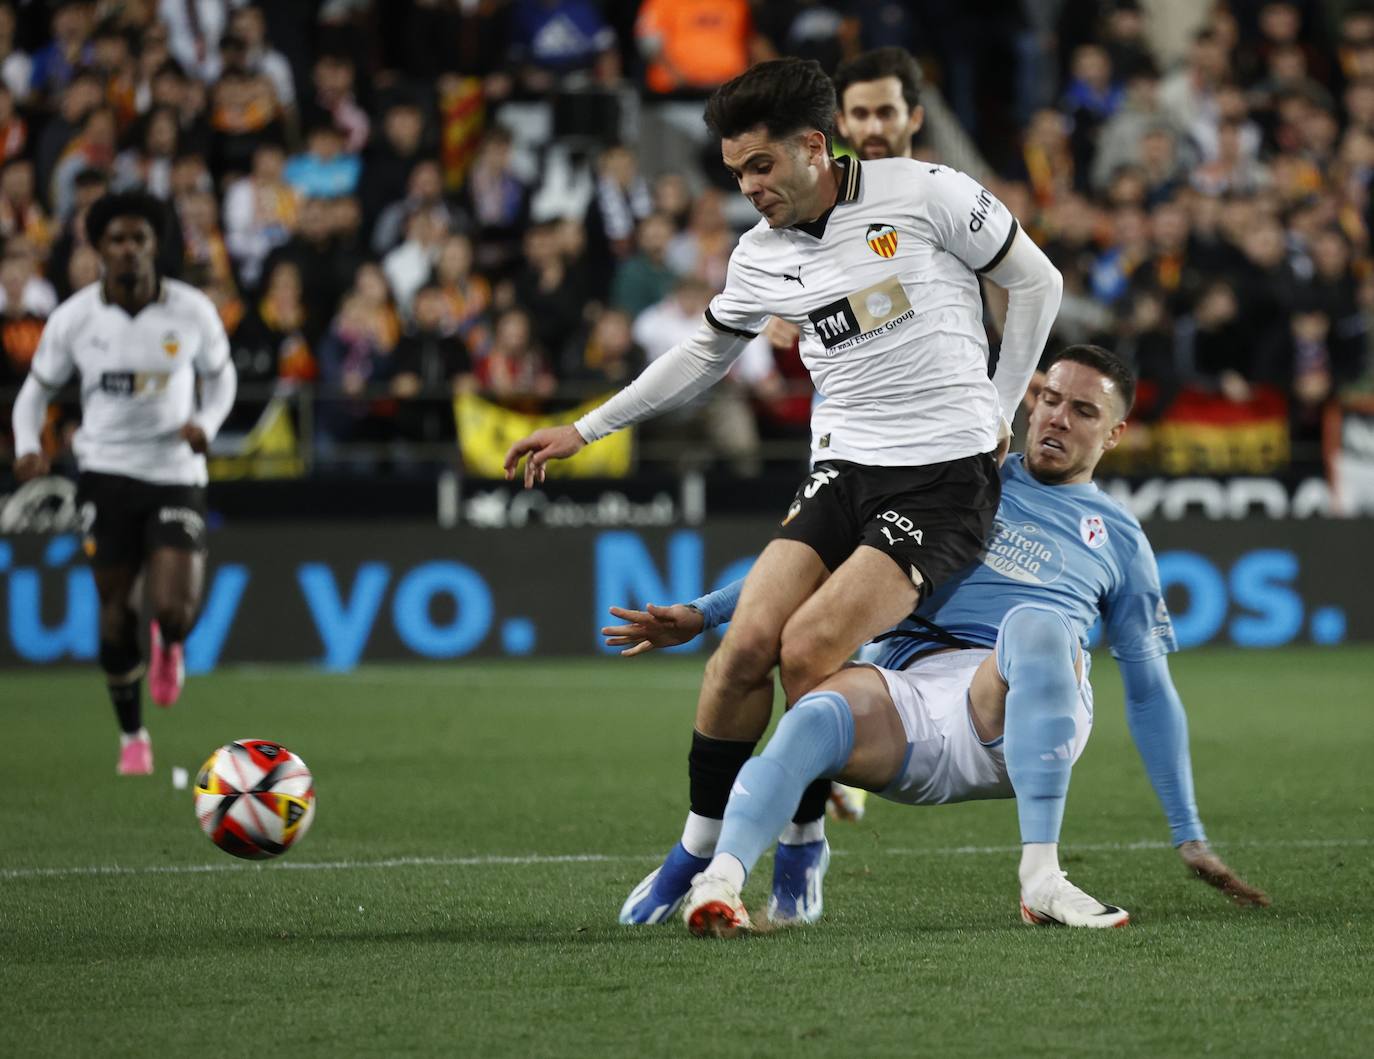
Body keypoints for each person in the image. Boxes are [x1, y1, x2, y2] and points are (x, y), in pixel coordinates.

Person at [504, 58, 1063, 925]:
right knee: (741, 650)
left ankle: (800, 845)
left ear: (814, 146)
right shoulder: (759, 256)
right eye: (736, 173)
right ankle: (693, 851)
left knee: (808, 650)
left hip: (945, 475)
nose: (749, 188)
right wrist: (585, 429)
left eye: (760, 167)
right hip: (843, 471)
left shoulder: (927, 193)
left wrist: (999, 408)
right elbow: (701, 356)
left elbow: (1038, 281)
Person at [604, 345, 1269, 935]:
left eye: (1084, 411)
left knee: (1036, 627)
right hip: (910, 690)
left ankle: (1042, 876)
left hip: (1017, 708)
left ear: (1117, 432)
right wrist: (708, 610)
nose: (1057, 417)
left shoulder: (1121, 536)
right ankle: (721, 881)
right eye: (1049, 398)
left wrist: (1189, 833)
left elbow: (1150, 691)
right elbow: (823, 563)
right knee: (811, 713)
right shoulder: (959, 477)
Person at [9, 191, 237, 775]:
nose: (129, 249)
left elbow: (222, 376)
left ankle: (171, 640)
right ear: (99, 250)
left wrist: (206, 424)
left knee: (174, 608)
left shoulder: (190, 311)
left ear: (156, 245)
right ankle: (133, 737)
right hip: (105, 473)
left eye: (140, 239)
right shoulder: (75, 318)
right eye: (117, 240)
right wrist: (30, 445)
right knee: (114, 616)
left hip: (174, 472)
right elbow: (35, 392)